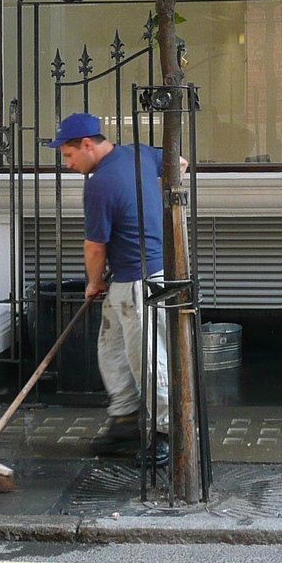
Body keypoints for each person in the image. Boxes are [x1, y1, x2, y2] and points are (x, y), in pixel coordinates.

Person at [49, 112, 174, 463]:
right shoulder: (141, 154)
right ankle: (125, 422)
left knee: (148, 359)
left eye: (69, 156)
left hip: (140, 280)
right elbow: (179, 161)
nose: (69, 164)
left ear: (87, 145)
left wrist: (93, 282)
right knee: (113, 351)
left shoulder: (99, 184)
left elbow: (94, 247)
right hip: (127, 277)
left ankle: (165, 434)